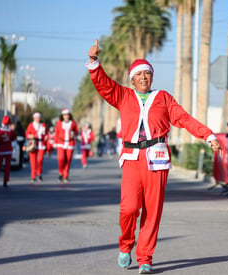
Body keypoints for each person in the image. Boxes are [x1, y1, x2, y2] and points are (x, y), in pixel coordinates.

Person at [87, 39, 221, 274]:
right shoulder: (124, 95)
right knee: (128, 208)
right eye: (139, 74)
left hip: (157, 159)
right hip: (131, 158)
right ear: (132, 79)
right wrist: (94, 62)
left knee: (152, 210)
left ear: (152, 77)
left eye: (147, 74)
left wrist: (208, 135)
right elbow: (104, 85)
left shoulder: (163, 98)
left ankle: (145, 257)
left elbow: (184, 119)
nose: (143, 78)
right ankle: (126, 244)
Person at [54, 108, 78, 182]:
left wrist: (74, 134)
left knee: (68, 160)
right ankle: (61, 172)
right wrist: (55, 142)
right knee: (61, 158)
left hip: (70, 143)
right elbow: (56, 133)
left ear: (69, 115)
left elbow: (76, 131)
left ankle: (65, 176)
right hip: (61, 143)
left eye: (67, 115)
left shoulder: (73, 123)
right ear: (62, 116)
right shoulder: (59, 123)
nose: (66, 116)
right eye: (64, 115)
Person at [26, 112, 48, 182]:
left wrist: (46, 137)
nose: (38, 119)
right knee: (33, 161)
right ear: (34, 118)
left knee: (40, 160)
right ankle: (33, 176)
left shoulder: (43, 125)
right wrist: (31, 136)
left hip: (41, 144)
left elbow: (46, 133)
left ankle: (39, 173)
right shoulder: (31, 125)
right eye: (36, 117)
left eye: (39, 117)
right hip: (33, 144)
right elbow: (27, 134)